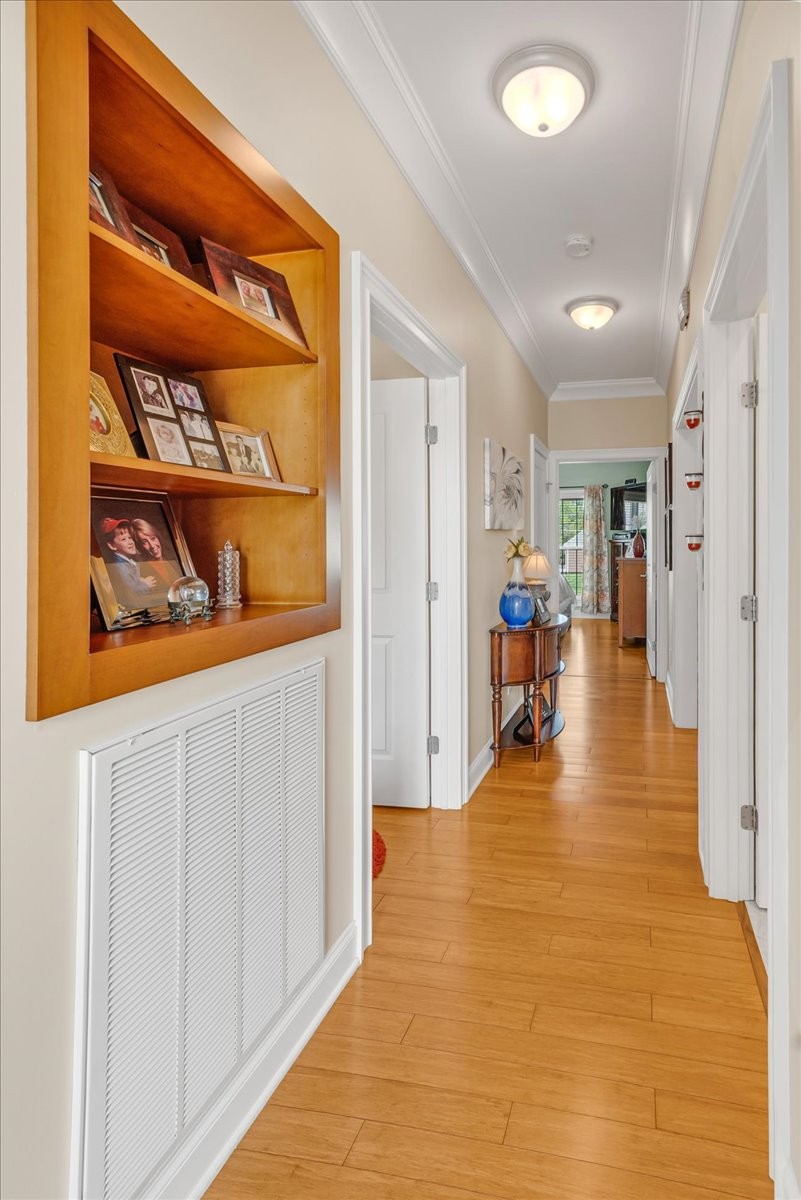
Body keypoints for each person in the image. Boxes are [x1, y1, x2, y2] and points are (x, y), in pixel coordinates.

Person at [100, 517, 158, 607]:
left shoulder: (129, 561)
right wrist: (145, 585)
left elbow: (130, 582)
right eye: (124, 539)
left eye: (130, 537)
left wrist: (139, 580)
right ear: (112, 546)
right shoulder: (120, 566)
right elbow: (128, 592)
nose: (130, 542)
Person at [131, 518, 181, 586]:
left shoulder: (174, 558)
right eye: (144, 542)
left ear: (158, 537)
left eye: (153, 538)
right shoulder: (141, 570)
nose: (152, 545)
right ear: (139, 546)